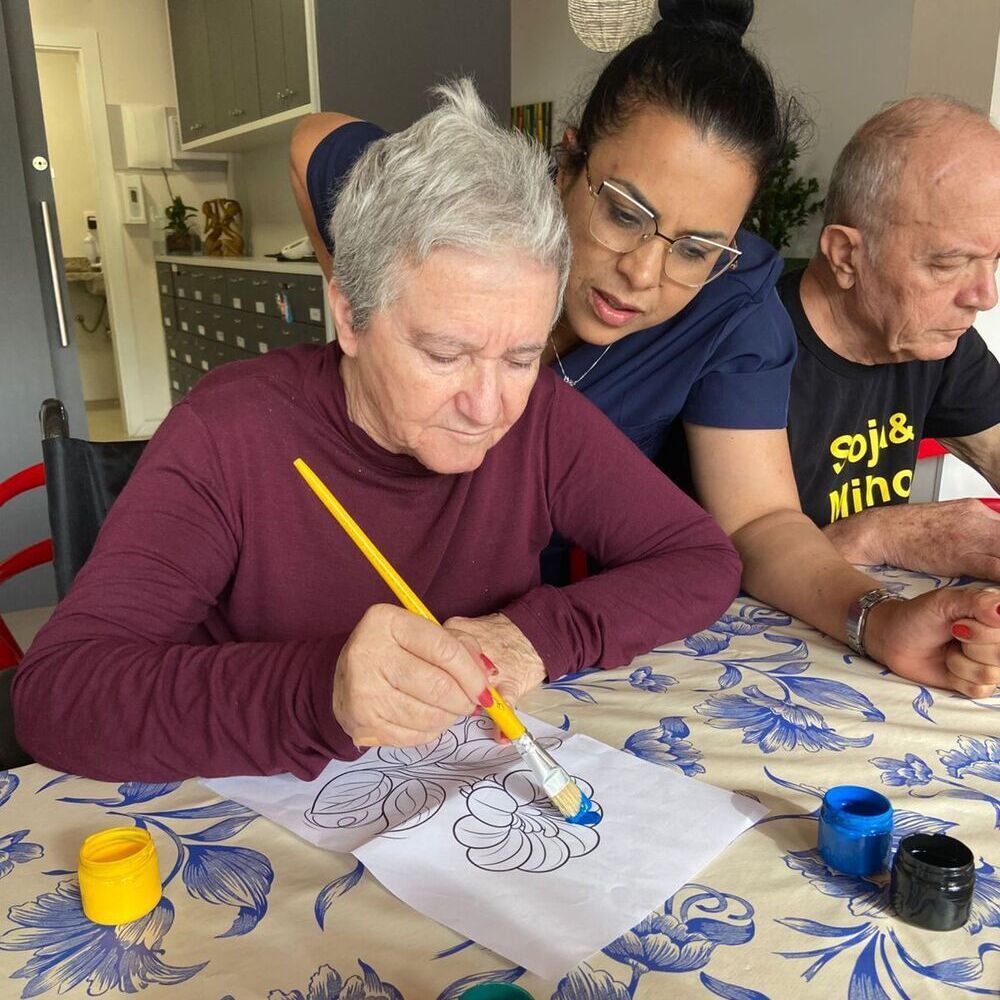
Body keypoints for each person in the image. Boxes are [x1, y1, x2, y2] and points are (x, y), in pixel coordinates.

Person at [11, 81, 741, 781]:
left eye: (522, 355)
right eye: (444, 354)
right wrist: (320, 690)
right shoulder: (228, 432)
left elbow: (701, 560)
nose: (489, 406)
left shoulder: (539, 416)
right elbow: (57, 697)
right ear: (351, 316)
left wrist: (532, 638)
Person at [290, 0, 1000, 700]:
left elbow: (759, 521)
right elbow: (312, 142)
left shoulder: (734, 302)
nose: (644, 274)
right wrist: (374, 322)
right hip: (357, 579)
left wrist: (879, 620)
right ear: (568, 162)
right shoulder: (466, 213)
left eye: (696, 247)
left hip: (529, 635)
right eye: (624, 213)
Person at [778, 96, 1000, 580]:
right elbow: (726, 564)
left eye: (996, 260)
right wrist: (879, 531)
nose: (986, 296)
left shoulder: (931, 337)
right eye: (947, 263)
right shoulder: (750, 344)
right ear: (844, 255)